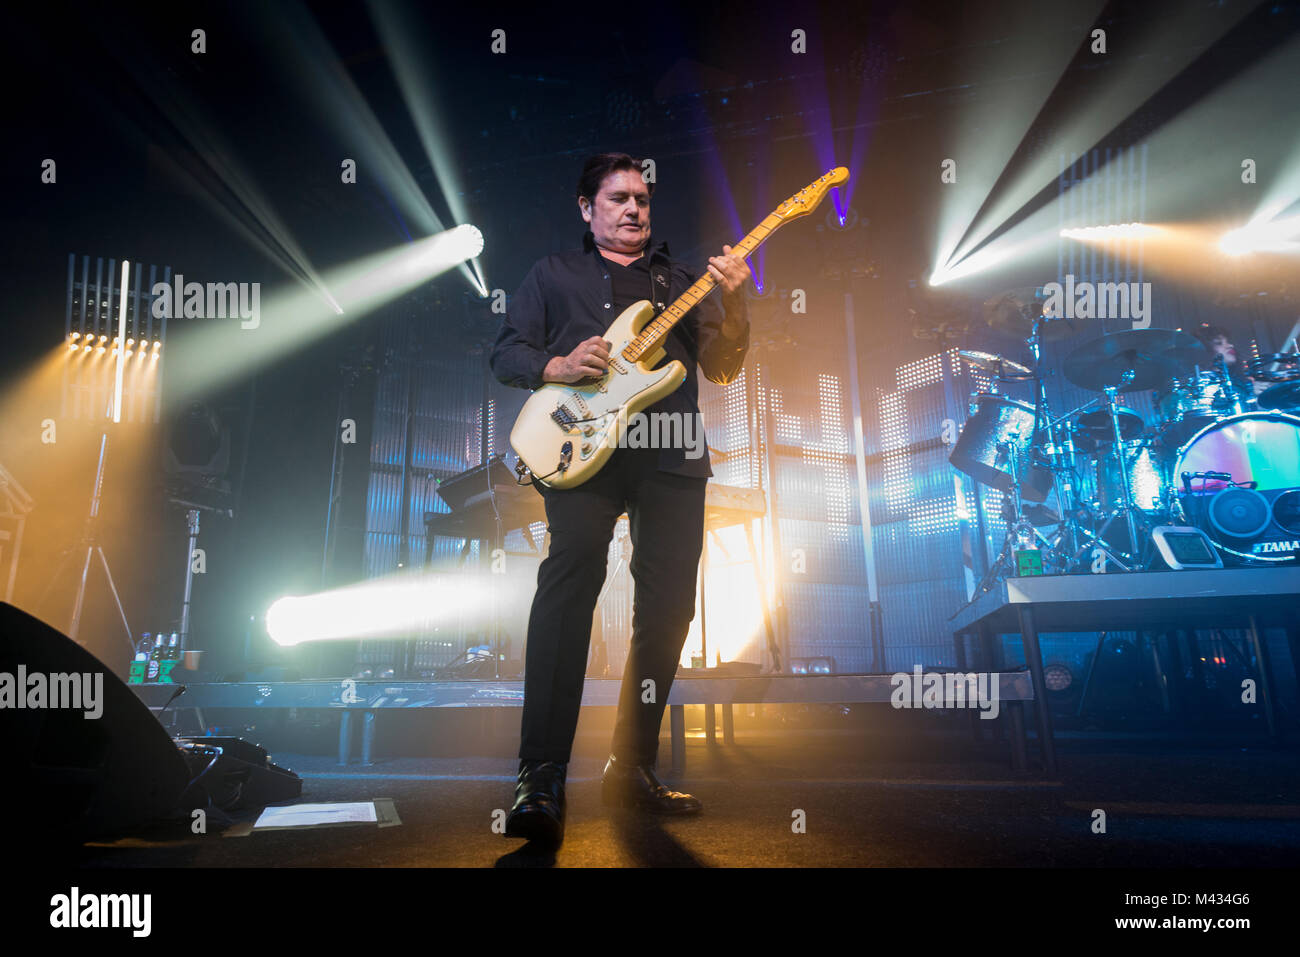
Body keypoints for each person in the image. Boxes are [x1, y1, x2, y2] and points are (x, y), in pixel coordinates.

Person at [489, 152, 751, 848]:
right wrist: (558, 365)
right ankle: (540, 775)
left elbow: (722, 366)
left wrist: (738, 297)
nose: (634, 208)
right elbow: (506, 351)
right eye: (618, 198)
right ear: (587, 208)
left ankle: (629, 765)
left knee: (668, 607)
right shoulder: (552, 275)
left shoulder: (681, 282)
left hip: (669, 455)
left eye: (642, 198)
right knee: (568, 583)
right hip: (582, 455)